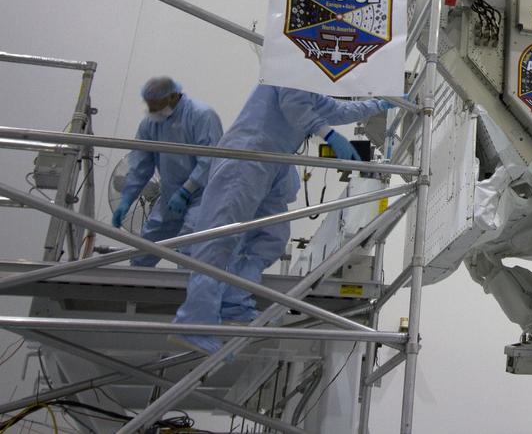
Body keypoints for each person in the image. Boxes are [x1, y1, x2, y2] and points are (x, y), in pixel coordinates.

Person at [173, 84, 393, 354]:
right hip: (248, 155)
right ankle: (195, 322)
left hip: (273, 164)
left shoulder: (310, 83)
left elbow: (337, 109)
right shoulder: (293, 69)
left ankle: (235, 302)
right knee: (220, 239)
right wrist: (329, 134)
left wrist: (381, 104)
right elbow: (294, 105)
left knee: (272, 237)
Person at [113, 77, 222, 266]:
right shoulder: (151, 124)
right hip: (169, 195)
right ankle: (132, 292)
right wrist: (126, 199)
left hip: (202, 197)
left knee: (190, 251)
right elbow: (141, 165)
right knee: (144, 249)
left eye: (156, 105)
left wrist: (187, 190)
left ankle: (186, 293)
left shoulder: (201, 115)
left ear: (172, 96)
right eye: (150, 106)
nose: (153, 110)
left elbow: (210, 160)